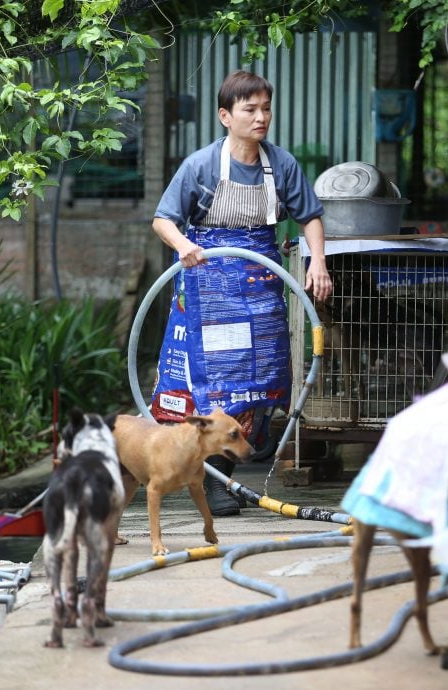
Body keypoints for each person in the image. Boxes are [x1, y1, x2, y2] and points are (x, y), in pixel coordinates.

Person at [150, 70, 332, 516]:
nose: (261, 117)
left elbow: (309, 216)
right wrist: (185, 245)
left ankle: (252, 444)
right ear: (225, 116)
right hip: (209, 290)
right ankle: (215, 481)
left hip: (260, 285)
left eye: (266, 108)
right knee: (213, 388)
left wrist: (319, 263)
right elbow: (163, 220)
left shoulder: (281, 165)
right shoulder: (201, 166)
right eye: (250, 109)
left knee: (264, 378)